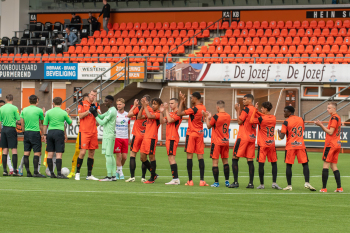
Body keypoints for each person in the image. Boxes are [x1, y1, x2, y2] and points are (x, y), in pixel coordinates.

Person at [278, 106, 316, 191]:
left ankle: (289, 186)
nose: (284, 113)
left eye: (285, 112)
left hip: (290, 146)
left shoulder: (286, 122)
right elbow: (302, 130)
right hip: (300, 145)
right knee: (305, 164)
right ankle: (307, 183)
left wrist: (278, 132)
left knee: (289, 165)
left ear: (290, 112)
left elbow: (281, 136)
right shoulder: (301, 119)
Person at [177, 91, 208, 186]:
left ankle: (190, 181)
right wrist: (184, 102)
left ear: (195, 98)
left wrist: (181, 101)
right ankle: (202, 180)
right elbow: (189, 110)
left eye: (191, 98)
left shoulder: (194, 108)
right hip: (200, 134)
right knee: (200, 157)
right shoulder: (203, 107)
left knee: (189, 157)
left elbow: (179, 113)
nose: (191, 99)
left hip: (191, 134)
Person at [249, 101, 282, 190]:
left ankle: (262, 184)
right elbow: (263, 115)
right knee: (274, 163)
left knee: (261, 164)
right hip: (271, 144)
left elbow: (251, 120)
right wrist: (257, 111)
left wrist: (254, 110)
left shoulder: (261, 119)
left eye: (262, 108)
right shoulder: (273, 118)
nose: (261, 109)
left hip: (263, 144)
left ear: (266, 109)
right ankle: (274, 183)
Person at [228, 94, 257, 189]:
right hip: (252, 137)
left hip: (243, 136)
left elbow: (240, 121)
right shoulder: (255, 110)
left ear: (249, 100)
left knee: (235, 157)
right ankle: (251, 183)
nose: (243, 101)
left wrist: (237, 111)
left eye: (245, 99)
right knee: (250, 160)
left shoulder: (247, 109)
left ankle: (236, 182)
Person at [315, 102, 343, 193]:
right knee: (333, 165)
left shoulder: (334, 118)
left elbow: (330, 132)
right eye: (327, 108)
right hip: (337, 144)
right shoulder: (337, 117)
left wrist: (321, 125)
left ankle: (324, 188)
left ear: (334, 109)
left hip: (331, 144)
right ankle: (339, 188)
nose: (327, 109)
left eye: (329, 108)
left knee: (326, 165)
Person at [125, 95, 153, 183]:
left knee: (133, 154)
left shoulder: (140, 108)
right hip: (146, 136)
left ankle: (132, 176)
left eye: (143, 100)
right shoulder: (151, 110)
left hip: (137, 134)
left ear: (147, 101)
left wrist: (134, 106)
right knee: (144, 156)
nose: (142, 102)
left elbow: (129, 115)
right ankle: (143, 177)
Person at [43, 97, 72, 179]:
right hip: (59, 133)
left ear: (53, 103)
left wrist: (45, 135)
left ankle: (51, 173)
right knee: (59, 154)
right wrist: (68, 114)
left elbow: (45, 124)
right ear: (61, 103)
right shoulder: (63, 113)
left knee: (50, 154)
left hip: (50, 132)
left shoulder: (48, 112)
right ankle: (59, 174)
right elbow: (70, 123)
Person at [203, 100, 231, 188]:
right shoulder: (228, 116)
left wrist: (207, 117)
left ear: (218, 107)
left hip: (217, 142)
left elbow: (208, 126)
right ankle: (227, 181)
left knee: (215, 163)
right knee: (225, 162)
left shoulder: (216, 116)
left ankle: (216, 182)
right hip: (225, 141)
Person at [75, 90, 100, 181]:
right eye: (92, 95)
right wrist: (89, 111)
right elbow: (80, 116)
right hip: (84, 131)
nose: (93, 96)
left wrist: (96, 112)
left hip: (93, 132)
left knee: (92, 153)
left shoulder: (97, 105)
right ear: (89, 95)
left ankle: (89, 175)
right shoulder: (82, 103)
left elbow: (99, 119)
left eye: (94, 95)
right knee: (82, 152)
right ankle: (77, 173)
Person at [91, 95, 117, 182]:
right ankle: (113, 175)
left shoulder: (111, 111)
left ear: (111, 102)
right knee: (111, 155)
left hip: (108, 135)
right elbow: (101, 116)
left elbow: (101, 122)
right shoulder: (111, 110)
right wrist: (95, 111)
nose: (105, 103)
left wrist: (94, 114)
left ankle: (109, 176)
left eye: (106, 101)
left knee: (108, 155)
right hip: (110, 134)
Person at [20, 95, 46, 178]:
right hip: (35, 133)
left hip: (27, 133)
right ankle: (35, 172)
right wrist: (43, 134)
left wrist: (24, 131)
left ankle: (28, 172)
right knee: (37, 153)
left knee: (26, 153)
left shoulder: (24, 109)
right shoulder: (39, 110)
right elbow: (43, 122)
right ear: (37, 101)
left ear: (29, 101)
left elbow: (22, 122)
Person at [139, 97, 162, 184]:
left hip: (152, 138)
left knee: (151, 157)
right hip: (146, 138)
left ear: (159, 105)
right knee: (142, 157)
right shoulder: (151, 112)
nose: (153, 105)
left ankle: (152, 178)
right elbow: (139, 117)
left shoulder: (159, 113)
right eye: (152, 103)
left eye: (155, 104)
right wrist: (142, 106)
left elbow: (149, 116)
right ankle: (154, 174)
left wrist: (145, 106)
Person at [161, 98, 182, 185]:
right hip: (169, 138)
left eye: (172, 103)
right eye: (169, 103)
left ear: (176, 104)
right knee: (170, 158)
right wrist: (161, 112)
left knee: (172, 158)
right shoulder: (170, 113)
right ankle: (175, 179)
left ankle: (176, 179)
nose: (170, 105)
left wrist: (165, 110)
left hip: (173, 137)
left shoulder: (178, 113)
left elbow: (170, 120)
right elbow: (162, 121)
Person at [67, 93, 89, 178]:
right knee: (77, 151)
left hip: (91, 133)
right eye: (86, 99)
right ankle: (73, 171)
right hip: (82, 132)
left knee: (91, 153)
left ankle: (89, 174)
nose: (87, 101)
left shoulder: (94, 107)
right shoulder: (81, 107)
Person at [0, 94, 21, 176]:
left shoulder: (1, 108)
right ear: (12, 99)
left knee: (5, 150)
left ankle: (5, 171)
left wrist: (0, 132)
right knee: (14, 149)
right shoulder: (15, 108)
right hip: (11, 129)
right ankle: (15, 171)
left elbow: (0, 122)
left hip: (4, 129)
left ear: (6, 99)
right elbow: (18, 120)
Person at [114, 98, 130, 180]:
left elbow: (128, 127)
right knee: (119, 156)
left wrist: (129, 138)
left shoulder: (127, 114)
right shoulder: (114, 114)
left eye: (120, 104)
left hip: (125, 138)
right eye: (117, 104)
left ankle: (118, 171)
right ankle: (121, 173)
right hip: (117, 138)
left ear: (124, 105)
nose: (118, 106)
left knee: (125, 157)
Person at [0, 100, 15, 175]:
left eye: (3, 105)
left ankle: (10, 168)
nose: (1, 107)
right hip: (3, 132)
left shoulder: (4, 113)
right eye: (0, 105)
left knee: (5, 150)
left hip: (3, 133)